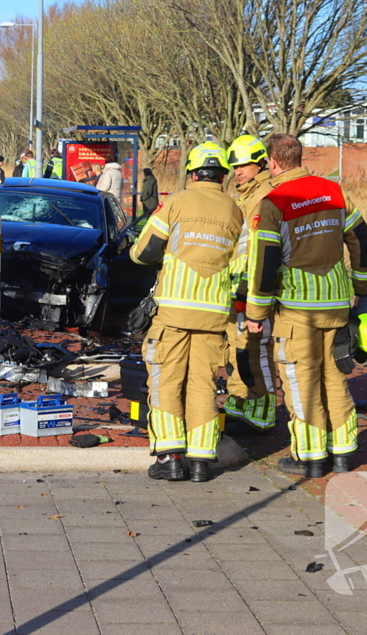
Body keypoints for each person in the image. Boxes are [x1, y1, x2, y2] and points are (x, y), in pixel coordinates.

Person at [245, 134, 367, 478]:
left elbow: (265, 263)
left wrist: (256, 313)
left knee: (301, 381)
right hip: (336, 304)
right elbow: (361, 240)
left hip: (297, 310)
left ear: (273, 162)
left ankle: (310, 457)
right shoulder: (333, 192)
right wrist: (365, 289)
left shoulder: (273, 202)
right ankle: (343, 452)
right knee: (333, 377)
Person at [130, 142, 243, 483]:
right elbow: (244, 264)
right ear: (222, 176)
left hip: (174, 313)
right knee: (203, 385)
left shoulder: (176, 203)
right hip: (215, 315)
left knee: (166, 381)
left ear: (193, 174)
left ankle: (169, 458)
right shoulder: (235, 211)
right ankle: (200, 461)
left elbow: (144, 253)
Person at [223, 134, 277, 434]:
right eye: (235, 167)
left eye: (243, 165)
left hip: (254, 288)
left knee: (255, 348)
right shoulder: (249, 194)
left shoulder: (263, 196)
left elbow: (260, 249)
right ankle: (241, 398)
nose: (238, 172)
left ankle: (264, 403)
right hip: (241, 286)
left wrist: (246, 288)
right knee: (238, 346)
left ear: (260, 164)